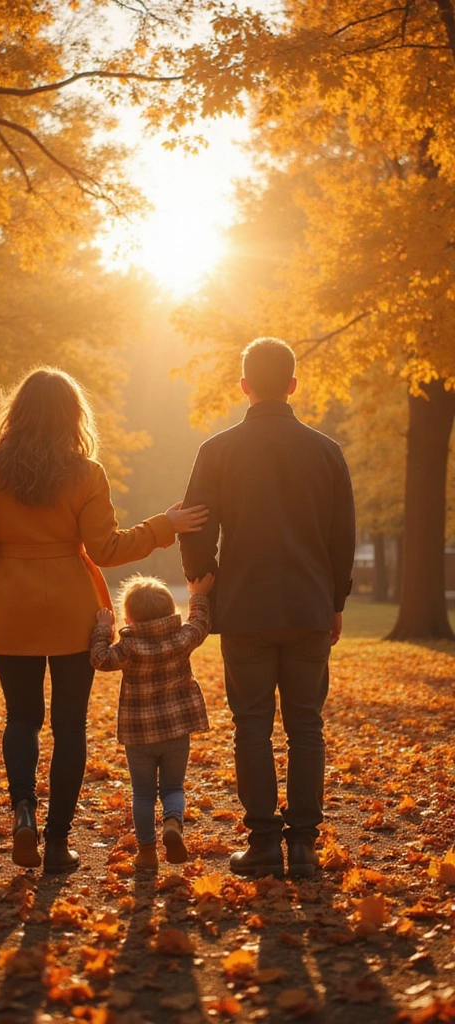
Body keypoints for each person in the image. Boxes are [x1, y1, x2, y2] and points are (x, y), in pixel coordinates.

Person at [0, 367, 208, 874]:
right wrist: (163, 526)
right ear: (73, 416)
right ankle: (58, 843)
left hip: (11, 607)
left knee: (21, 718)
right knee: (69, 726)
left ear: (15, 413)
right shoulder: (86, 474)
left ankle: (23, 809)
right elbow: (107, 549)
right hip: (72, 609)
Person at [179, 338, 355, 879]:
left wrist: (201, 575)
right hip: (307, 604)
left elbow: (195, 517)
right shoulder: (326, 451)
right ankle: (303, 844)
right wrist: (335, 600)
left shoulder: (219, 449)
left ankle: (261, 844)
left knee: (250, 725)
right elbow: (342, 535)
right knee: (306, 725)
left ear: (244, 386)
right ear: (294, 386)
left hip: (246, 604)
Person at [90, 572, 213, 870]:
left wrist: (103, 630)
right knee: (173, 788)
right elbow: (200, 625)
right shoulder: (181, 638)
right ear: (171, 611)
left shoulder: (129, 647)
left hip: (139, 736)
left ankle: (147, 852)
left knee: (143, 794)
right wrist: (198, 595)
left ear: (129, 618)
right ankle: (172, 822)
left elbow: (100, 659)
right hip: (176, 732)